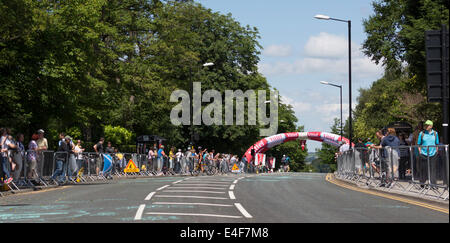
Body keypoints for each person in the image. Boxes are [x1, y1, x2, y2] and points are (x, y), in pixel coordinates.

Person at [417, 120, 439, 186]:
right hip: (424, 154)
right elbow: (419, 144)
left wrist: (436, 152)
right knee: (424, 169)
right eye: (425, 125)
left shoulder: (435, 133)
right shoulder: (422, 133)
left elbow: (437, 143)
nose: (426, 126)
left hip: (433, 154)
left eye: (428, 125)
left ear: (431, 126)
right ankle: (422, 183)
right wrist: (420, 152)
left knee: (433, 169)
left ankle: (433, 184)